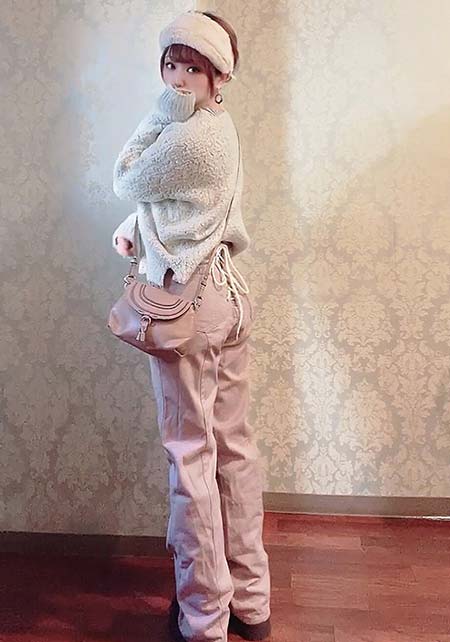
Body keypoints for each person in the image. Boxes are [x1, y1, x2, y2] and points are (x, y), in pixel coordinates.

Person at [111, 10, 271, 642]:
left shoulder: (188, 136)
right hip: (227, 298)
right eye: (170, 65)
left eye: (192, 69)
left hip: (188, 308)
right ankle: (251, 604)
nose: (177, 79)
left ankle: (204, 618)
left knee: (190, 455)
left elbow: (127, 174)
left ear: (218, 76)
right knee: (233, 446)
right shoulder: (219, 128)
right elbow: (176, 204)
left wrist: (160, 110)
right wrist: (138, 226)